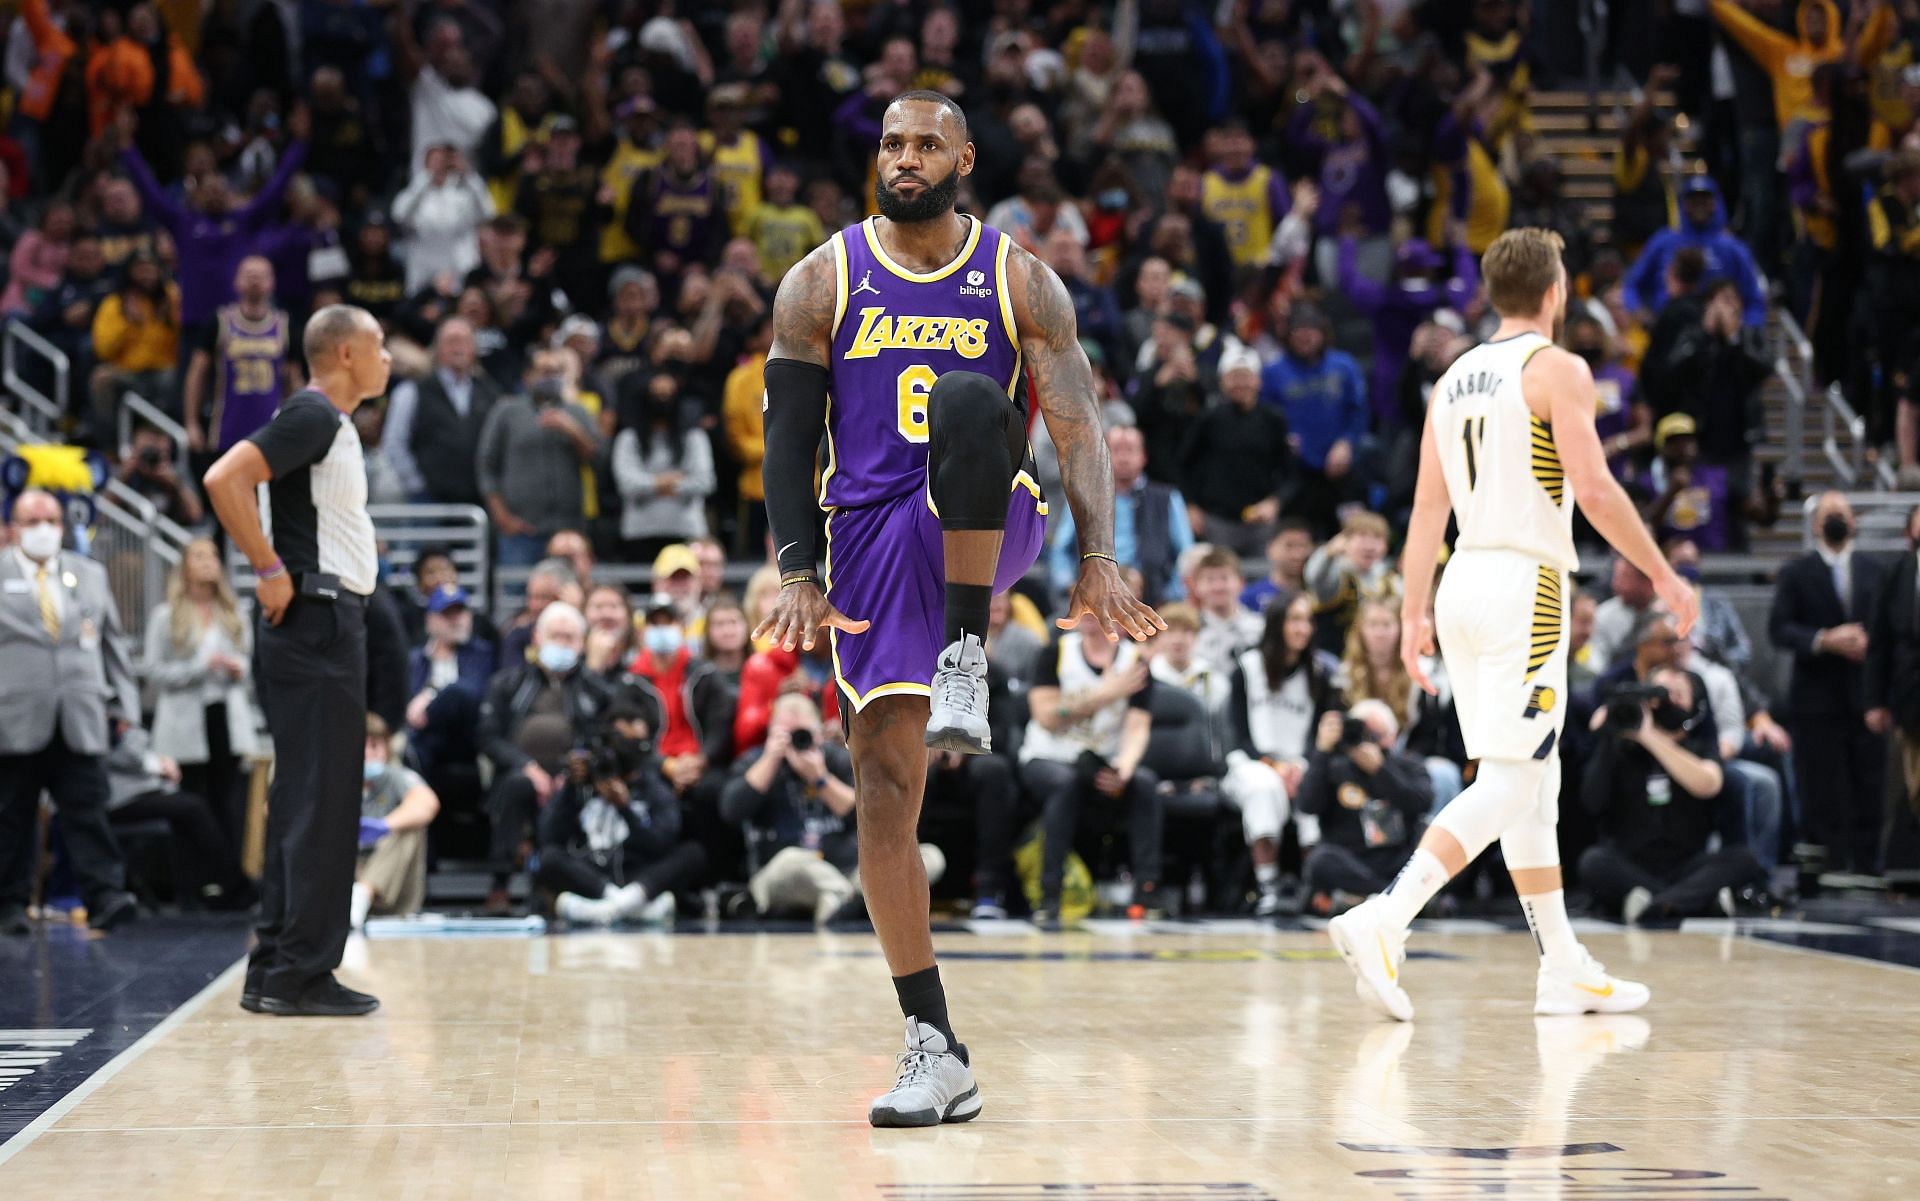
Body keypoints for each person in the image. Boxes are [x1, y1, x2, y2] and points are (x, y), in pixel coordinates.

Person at [751, 90, 1161, 1128]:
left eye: (928, 141)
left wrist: (1100, 554)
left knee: (976, 404)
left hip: (985, 512)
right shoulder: (819, 279)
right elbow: (789, 442)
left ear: (965, 156)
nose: (907, 156)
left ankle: (968, 660)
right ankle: (936, 1045)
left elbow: (1076, 422)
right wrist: (798, 569)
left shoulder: (1019, 276)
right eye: (893, 142)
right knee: (886, 788)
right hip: (871, 537)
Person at [1328, 228, 1699, 1023]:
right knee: (1513, 777)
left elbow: (1427, 506)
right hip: (1526, 582)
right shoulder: (1556, 368)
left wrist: (1415, 607)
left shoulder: (1454, 375)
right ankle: (1386, 917)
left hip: (1462, 578)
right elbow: (1595, 491)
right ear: (1556, 292)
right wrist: (1665, 573)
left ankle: (1562, 963)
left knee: (1537, 776)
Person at [202, 304, 392, 1017]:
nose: (388, 359)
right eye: (378, 346)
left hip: (321, 623)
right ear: (345, 353)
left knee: (302, 798)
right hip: (315, 621)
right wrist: (268, 565)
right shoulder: (313, 414)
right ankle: (301, 972)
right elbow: (225, 477)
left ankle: (277, 965)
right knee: (321, 800)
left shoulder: (331, 424)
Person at [0, 489, 141, 936]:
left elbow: (112, 644)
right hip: (13, 718)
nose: (43, 528)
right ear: (13, 527)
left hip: (81, 715)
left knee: (88, 810)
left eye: (51, 519)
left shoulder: (90, 574)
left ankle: (106, 897)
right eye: (33, 520)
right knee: (11, 817)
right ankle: (9, 904)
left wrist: (124, 705)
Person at [1580, 665, 1767, 922]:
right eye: (1661, 693)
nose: (1669, 699)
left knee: (1744, 859)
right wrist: (1610, 732)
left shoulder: (1700, 747)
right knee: (1593, 861)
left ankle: (1655, 903)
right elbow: (1592, 801)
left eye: (1679, 693)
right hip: (1632, 863)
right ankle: (1693, 900)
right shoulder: (1623, 747)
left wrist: (1651, 738)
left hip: (1688, 865)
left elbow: (1708, 784)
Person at [1019, 611, 1166, 922]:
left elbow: (1138, 726)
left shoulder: (1136, 661)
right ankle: (1050, 895)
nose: (1086, 612)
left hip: (1102, 761)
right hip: (1048, 757)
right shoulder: (1055, 652)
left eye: (1096, 605)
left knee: (1145, 783)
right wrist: (1105, 694)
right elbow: (1047, 717)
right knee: (1066, 783)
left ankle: (1147, 894)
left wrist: (1125, 766)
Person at [1769, 491, 1887, 876]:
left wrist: (1870, 641)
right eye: (1829, 514)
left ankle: (1868, 866)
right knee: (1820, 785)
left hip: (1867, 696)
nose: (1836, 519)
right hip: (1816, 697)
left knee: (1869, 781)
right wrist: (1825, 639)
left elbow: (1892, 625)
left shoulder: (1876, 570)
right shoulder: (1796, 572)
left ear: (1853, 521)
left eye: (1842, 512)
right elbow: (1780, 630)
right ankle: (1824, 868)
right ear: (1816, 524)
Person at [476, 601, 616, 914]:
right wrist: (526, 766)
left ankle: (550, 883)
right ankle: (499, 886)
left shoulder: (597, 690)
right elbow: (488, 736)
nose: (562, 644)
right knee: (516, 787)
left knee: (572, 794)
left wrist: (575, 767)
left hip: (576, 780)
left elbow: (603, 739)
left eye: (570, 638)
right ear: (537, 639)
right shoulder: (507, 683)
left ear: (582, 644)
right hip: (518, 774)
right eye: (555, 636)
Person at [538, 699, 704, 926]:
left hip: (639, 875)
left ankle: (605, 909)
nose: (631, 749)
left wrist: (625, 808)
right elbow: (548, 836)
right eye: (624, 741)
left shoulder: (653, 786)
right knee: (548, 858)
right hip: (594, 874)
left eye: (639, 743)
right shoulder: (584, 782)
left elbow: (661, 844)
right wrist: (570, 787)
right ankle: (629, 907)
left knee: (692, 853)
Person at [143, 538, 257, 846]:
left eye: (214, 556)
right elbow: (153, 670)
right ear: (184, 566)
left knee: (228, 804)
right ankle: (193, 887)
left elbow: (248, 661)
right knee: (191, 805)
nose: (209, 562)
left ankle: (229, 886)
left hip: (226, 717)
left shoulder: (233, 612)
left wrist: (238, 668)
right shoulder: (165, 616)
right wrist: (200, 666)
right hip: (184, 723)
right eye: (199, 556)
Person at [1297, 701, 1434, 911]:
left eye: (1374, 735)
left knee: (1431, 850)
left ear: (1392, 736)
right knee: (1320, 860)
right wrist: (1322, 751)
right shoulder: (1333, 766)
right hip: (1350, 859)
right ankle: (1393, 897)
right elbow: (1306, 804)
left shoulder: (1407, 764)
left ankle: (1365, 897)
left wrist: (1381, 771)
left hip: (1396, 858)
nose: (1365, 741)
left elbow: (1423, 802)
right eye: (1361, 732)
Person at [183, 255, 296, 455]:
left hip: (272, 430)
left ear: (272, 282)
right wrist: (191, 422)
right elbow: (196, 373)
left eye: (261, 276)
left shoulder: (285, 324)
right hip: (226, 429)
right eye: (249, 275)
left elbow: (294, 380)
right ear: (236, 281)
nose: (255, 281)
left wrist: (299, 423)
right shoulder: (219, 321)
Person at [383, 318, 500, 506]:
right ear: (437, 348)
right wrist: (417, 485)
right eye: (452, 341)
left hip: (479, 499)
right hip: (429, 500)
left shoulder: (490, 392)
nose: (458, 348)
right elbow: (395, 443)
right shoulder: (412, 391)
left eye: (465, 341)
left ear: (474, 349)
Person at [354, 714, 439, 928]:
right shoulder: (334, 780)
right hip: (346, 875)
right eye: (363, 746)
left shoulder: (396, 776)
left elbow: (427, 803)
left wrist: (385, 826)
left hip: (393, 887)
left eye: (375, 746)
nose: (369, 753)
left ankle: (362, 895)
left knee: (410, 828)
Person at [1242, 519, 1313, 614]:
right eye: (1289, 546)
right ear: (1270, 548)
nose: (1297, 555)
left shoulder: (1318, 593)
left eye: (1303, 546)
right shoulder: (1250, 596)